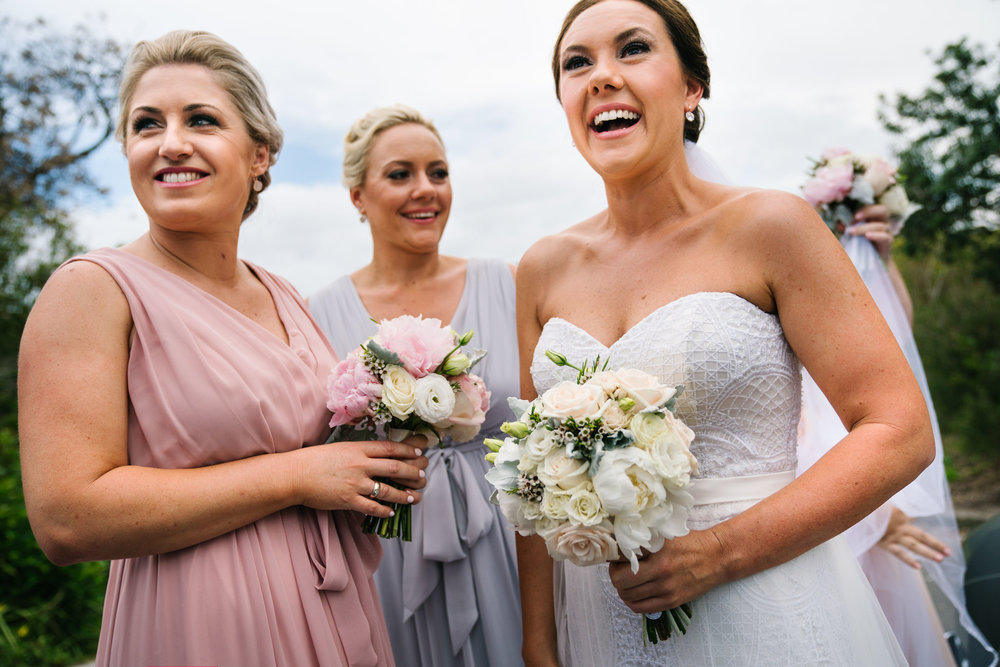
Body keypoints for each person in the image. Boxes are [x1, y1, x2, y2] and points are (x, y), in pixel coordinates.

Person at [514, 0, 936, 664]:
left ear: (691, 88)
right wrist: (538, 646)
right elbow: (531, 486)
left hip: (768, 608)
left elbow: (899, 429)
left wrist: (717, 552)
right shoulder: (540, 269)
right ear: (566, 102)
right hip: (607, 625)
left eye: (632, 49)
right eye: (577, 63)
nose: (600, 75)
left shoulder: (772, 226)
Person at [17, 30, 429, 667]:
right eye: (146, 124)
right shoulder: (91, 290)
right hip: (198, 625)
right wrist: (298, 476)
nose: (171, 142)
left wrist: (375, 463)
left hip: (332, 611)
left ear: (260, 153)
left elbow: (318, 455)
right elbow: (67, 519)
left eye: (202, 120)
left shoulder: (284, 292)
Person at [309, 105, 523, 667]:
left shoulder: (508, 284)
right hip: (386, 552)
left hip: (507, 542)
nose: (425, 190)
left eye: (438, 172)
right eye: (400, 174)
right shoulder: (317, 313)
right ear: (358, 195)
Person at [798, 209, 998, 666]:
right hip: (832, 524)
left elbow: (895, 341)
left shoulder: (837, 305)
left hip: (870, 519)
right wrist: (873, 515)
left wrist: (882, 262)